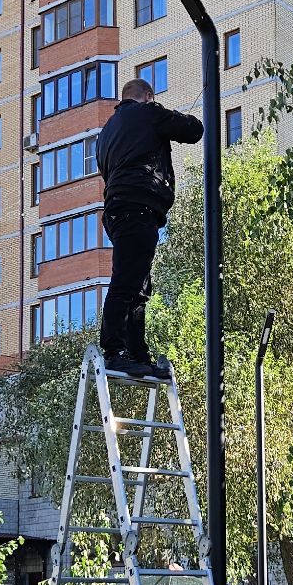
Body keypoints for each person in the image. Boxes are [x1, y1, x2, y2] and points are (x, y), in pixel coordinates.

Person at [95, 78, 202, 380]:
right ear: (148, 97)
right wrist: (163, 112)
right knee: (128, 282)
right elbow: (194, 130)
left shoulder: (105, 135)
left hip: (119, 210)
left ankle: (137, 353)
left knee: (139, 285)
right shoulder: (149, 112)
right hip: (137, 206)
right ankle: (115, 351)